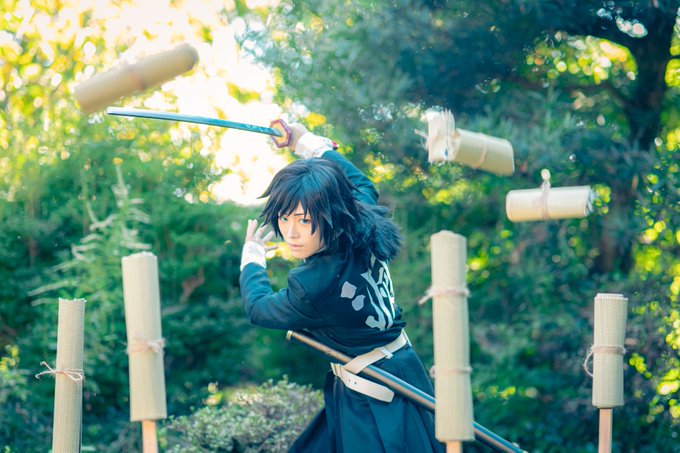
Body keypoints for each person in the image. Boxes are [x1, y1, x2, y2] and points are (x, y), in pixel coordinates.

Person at [239, 123, 444, 453]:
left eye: (305, 220)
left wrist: (252, 256)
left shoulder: (312, 284)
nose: (291, 233)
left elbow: (259, 309)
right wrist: (302, 141)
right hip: (402, 367)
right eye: (285, 218)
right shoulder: (362, 216)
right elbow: (359, 183)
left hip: (374, 394)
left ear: (329, 213)